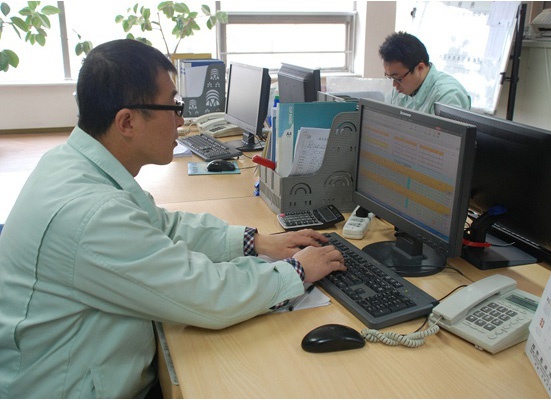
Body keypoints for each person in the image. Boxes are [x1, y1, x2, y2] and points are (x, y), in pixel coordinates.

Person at [0, 39, 346, 398]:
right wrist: (296, 271)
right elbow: (205, 294)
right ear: (127, 121)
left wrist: (257, 242)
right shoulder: (92, 215)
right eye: (173, 107)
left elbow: (162, 227)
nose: (181, 121)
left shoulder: (71, 163)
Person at [379, 31, 471, 114]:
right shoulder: (402, 87)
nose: (394, 85)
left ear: (420, 68)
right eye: (390, 77)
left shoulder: (448, 96)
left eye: (398, 78)